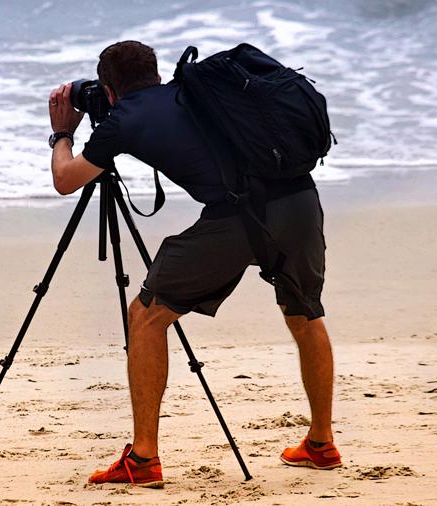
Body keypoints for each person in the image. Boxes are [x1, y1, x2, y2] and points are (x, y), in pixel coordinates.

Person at [46, 41, 341, 487]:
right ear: (156, 73)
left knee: (145, 317)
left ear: (109, 92)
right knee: (304, 314)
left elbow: (66, 180)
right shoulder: (197, 92)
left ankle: (143, 459)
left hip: (241, 217)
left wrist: (63, 132)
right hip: (299, 199)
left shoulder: (125, 119)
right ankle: (321, 444)